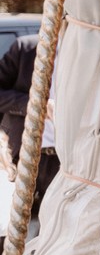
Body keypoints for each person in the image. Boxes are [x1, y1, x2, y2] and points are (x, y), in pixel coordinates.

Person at [0, 34, 60, 232]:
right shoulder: (26, 48)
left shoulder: (87, 55)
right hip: (23, 152)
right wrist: (34, 105)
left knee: (52, 227)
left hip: (63, 159)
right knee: (7, 225)